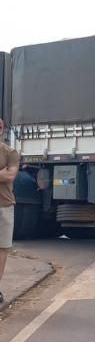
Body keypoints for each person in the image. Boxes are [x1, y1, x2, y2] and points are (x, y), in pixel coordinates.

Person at [0, 118, 20, 304]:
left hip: (4, 206)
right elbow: (4, 175)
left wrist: (6, 174)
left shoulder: (10, 152)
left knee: (2, 248)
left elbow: (11, 175)